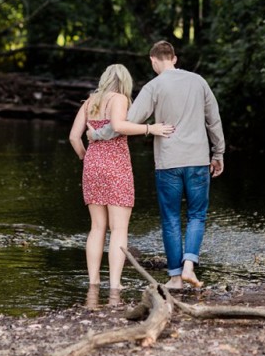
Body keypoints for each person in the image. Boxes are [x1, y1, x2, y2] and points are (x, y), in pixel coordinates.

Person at [93, 41, 225, 289]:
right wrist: (219, 153)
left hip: (167, 163)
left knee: (171, 218)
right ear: (174, 58)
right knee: (197, 215)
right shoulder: (199, 81)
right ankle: (189, 266)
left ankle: (175, 278)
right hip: (198, 159)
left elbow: (127, 122)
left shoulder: (153, 86)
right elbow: (213, 120)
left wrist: (97, 134)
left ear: (153, 61)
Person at [68, 64, 174, 292]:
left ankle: (93, 282)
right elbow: (119, 126)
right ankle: (115, 285)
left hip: (93, 165)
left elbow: (74, 137)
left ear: (104, 79)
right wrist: (150, 129)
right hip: (116, 166)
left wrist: (86, 158)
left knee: (97, 227)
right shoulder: (120, 99)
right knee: (118, 229)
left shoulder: (90, 101)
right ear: (125, 81)